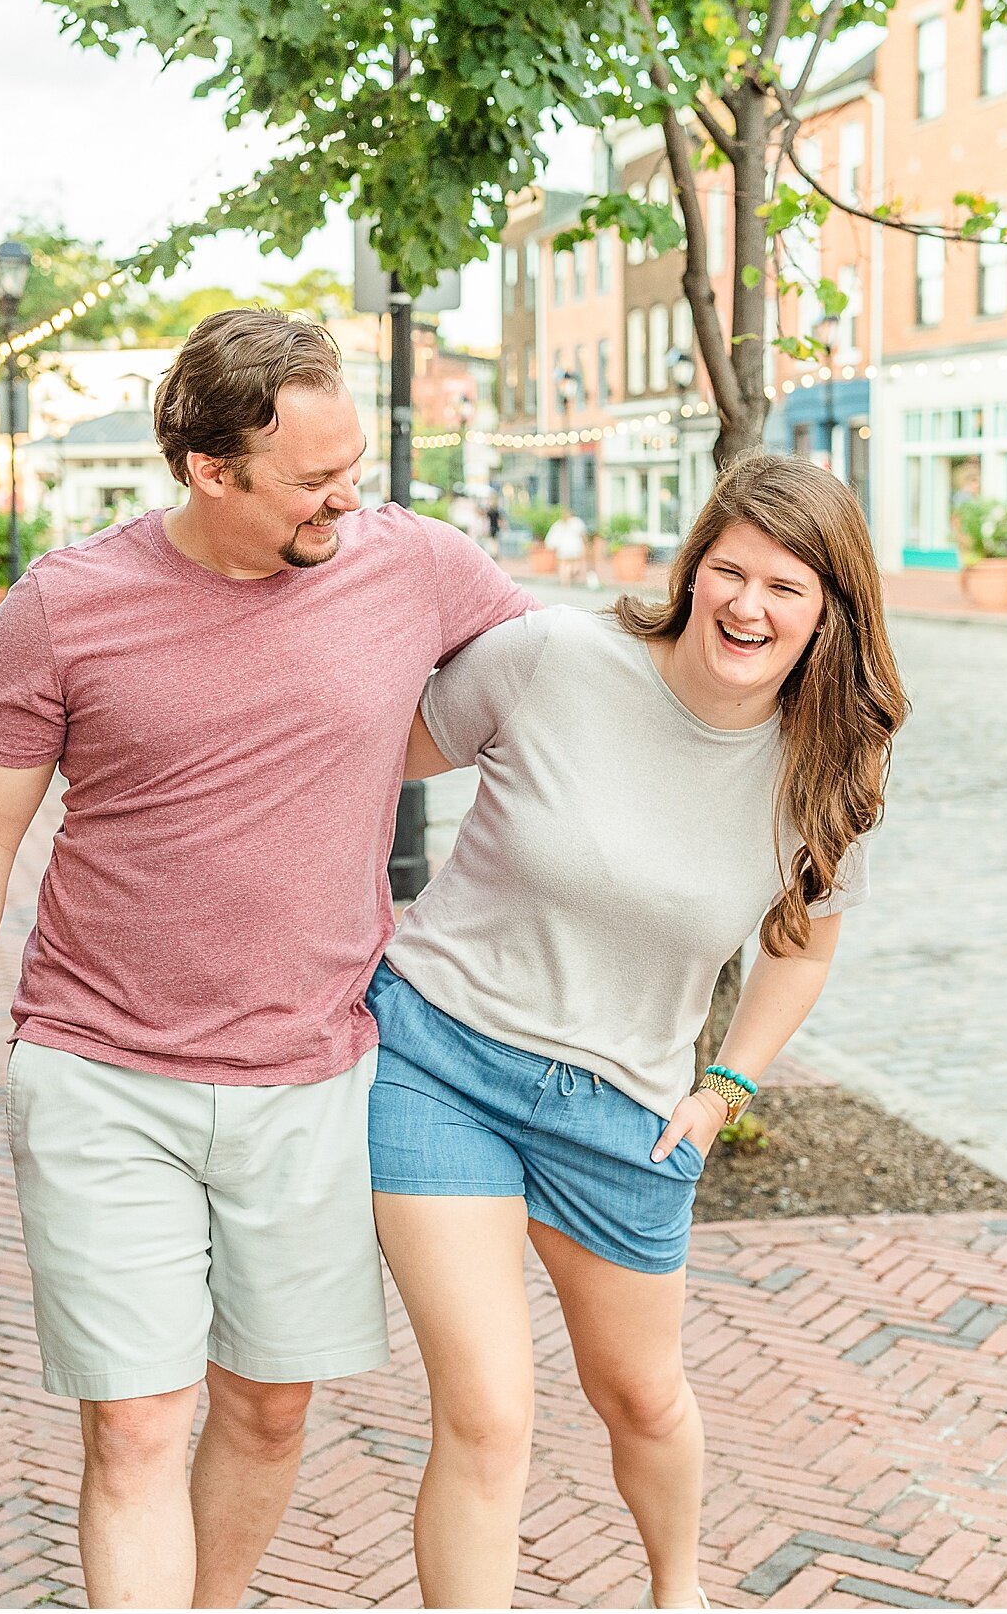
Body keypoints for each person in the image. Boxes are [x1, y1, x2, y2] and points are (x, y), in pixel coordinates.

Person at [0, 310, 532, 1609]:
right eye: (312, 479)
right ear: (210, 469)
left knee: (268, 1408)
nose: (346, 500)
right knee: (135, 1425)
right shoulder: (67, 607)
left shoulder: (408, 562)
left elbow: (554, 682)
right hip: (101, 1069)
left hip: (313, 1074)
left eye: (354, 466)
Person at [371, 456, 905, 1610]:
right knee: (487, 1411)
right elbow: (353, 766)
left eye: (786, 588)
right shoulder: (553, 660)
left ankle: (679, 1590)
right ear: (692, 566)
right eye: (729, 570)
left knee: (644, 1398)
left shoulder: (823, 767)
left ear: (830, 614)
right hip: (438, 1060)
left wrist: (725, 1089)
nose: (747, 606)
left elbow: (800, 949)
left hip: (625, 1112)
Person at [546, 508, 590, 586]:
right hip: (572, 548)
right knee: (571, 564)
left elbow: (551, 539)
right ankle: (567, 579)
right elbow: (584, 535)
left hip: (567, 548)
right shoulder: (574, 522)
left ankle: (566, 581)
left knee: (566, 564)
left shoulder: (560, 524)